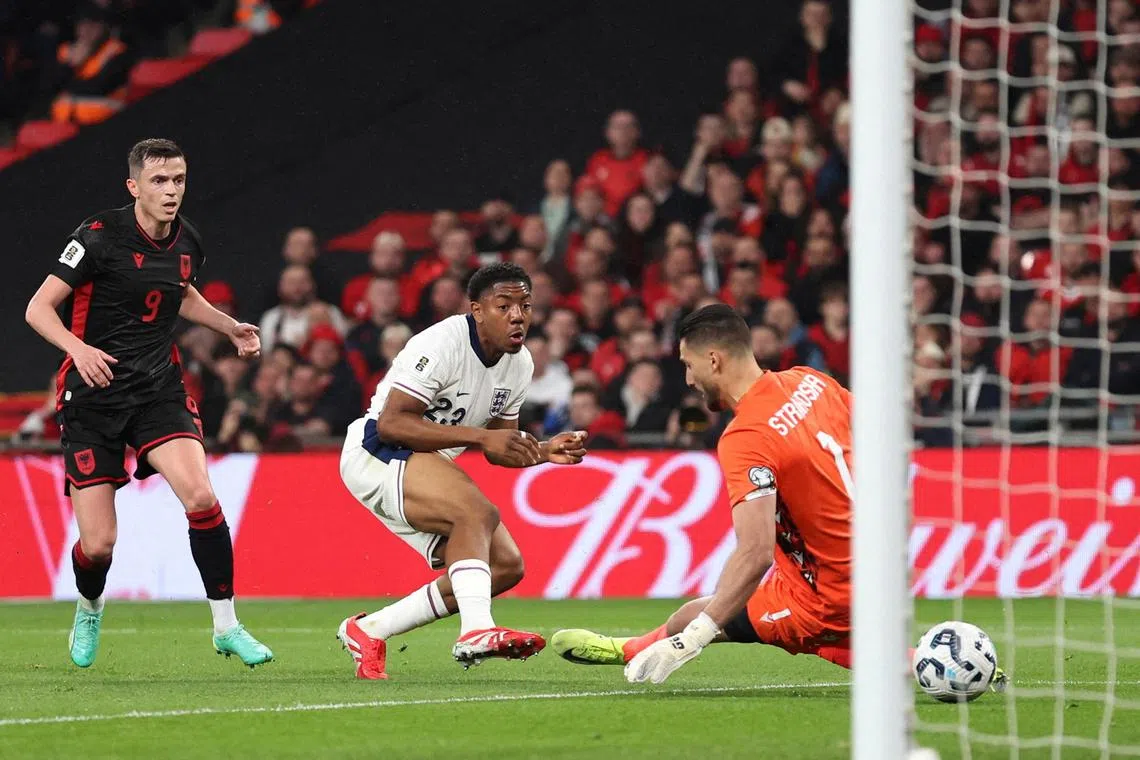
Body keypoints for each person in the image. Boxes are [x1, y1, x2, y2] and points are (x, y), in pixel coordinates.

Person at [23, 138, 273, 669]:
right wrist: (78, 347)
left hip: (157, 390)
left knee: (201, 496)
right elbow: (38, 308)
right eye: (159, 181)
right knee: (100, 545)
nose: (171, 191)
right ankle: (89, 607)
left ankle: (226, 625)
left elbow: (182, 291)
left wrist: (230, 328)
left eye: (179, 180)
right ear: (134, 187)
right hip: (91, 398)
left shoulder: (189, 242)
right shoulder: (97, 237)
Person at [551, 303, 855, 680]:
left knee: (733, 624)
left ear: (713, 360)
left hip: (824, 596)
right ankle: (631, 647)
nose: (689, 380)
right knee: (691, 614)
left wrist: (692, 641)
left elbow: (754, 552)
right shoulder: (812, 381)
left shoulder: (747, 436)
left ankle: (919, 663)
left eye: (688, 365)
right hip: (873, 568)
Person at [336, 262, 589, 679]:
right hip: (377, 452)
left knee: (506, 566)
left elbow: (499, 447)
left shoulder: (519, 363)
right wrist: (480, 437)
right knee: (478, 514)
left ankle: (369, 629)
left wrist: (541, 451)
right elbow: (392, 423)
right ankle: (476, 631)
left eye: (525, 305)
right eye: (503, 305)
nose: (517, 315)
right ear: (476, 310)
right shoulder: (440, 344)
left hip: (426, 462)